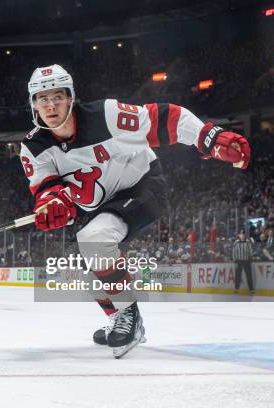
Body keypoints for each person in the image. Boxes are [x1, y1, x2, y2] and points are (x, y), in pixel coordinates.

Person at [19, 64, 251, 358]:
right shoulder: (32, 148)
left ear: (71, 97)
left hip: (142, 185)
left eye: (58, 97)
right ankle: (118, 317)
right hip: (102, 206)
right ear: (34, 104)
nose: (50, 105)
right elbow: (46, 189)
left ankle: (131, 317)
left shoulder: (107, 115)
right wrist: (53, 205)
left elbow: (166, 118)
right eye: (43, 98)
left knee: (94, 237)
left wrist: (208, 137)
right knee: (92, 268)